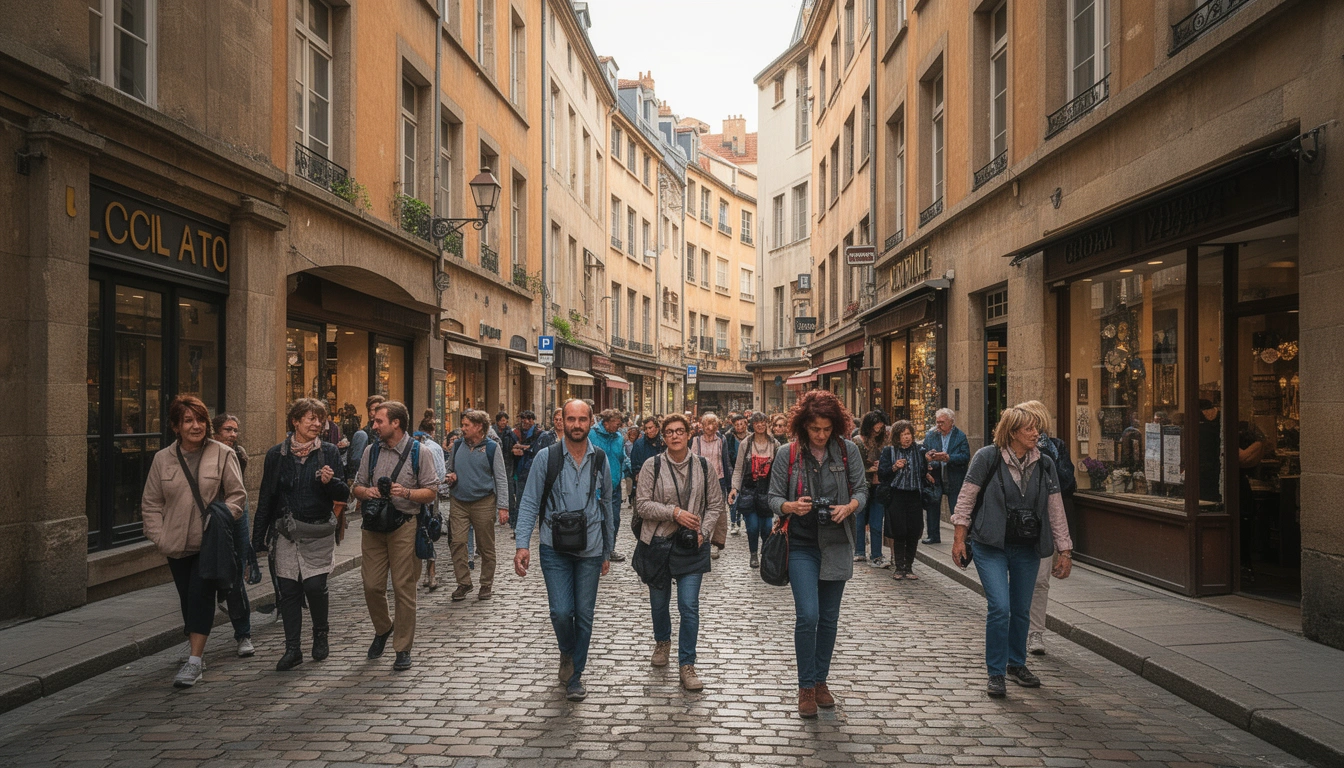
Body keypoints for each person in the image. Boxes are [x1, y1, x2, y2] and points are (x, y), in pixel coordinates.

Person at [951, 406, 1074, 698]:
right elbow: (966, 499)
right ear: (1013, 432)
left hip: (1027, 547)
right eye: (1030, 429)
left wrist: (1065, 550)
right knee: (1000, 607)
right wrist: (959, 538)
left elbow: (1055, 508)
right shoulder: (987, 457)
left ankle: (1016, 664)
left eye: (1037, 428)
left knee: (1021, 610)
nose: (1036, 434)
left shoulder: (1045, 464)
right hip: (990, 544)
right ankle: (995, 672)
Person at [767, 390, 867, 718]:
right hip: (800, 544)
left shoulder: (847, 451)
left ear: (835, 426)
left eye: (826, 429)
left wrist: (850, 506)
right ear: (803, 426)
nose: (821, 435)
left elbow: (863, 491)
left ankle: (821, 681)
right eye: (815, 429)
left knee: (828, 619)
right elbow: (772, 497)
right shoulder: (788, 453)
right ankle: (805, 686)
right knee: (808, 615)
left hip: (837, 542)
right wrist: (789, 506)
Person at [513, 399, 616, 702]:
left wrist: (608, 550)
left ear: (590, 422)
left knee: (583, 614)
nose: (576, 425)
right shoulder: (547, 458)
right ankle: (566, 652)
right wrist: (522, 544)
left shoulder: (600, 460)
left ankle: (576, 675)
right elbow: (530, 500)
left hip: (591, 547)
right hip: (553, 546)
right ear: (561, 421)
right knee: (561, 612)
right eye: (571, 419)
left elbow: (608, 505)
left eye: (582, 419)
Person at [141, 395, 246, 688]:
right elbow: (150, 503)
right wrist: (159, 537)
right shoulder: (162, 459)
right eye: (188, 420)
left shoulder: (223, 453)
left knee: (201, 595)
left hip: (209, 541)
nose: (196, 426)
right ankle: (195, 649)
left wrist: (224, 516)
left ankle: (195, 661)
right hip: (175, 544)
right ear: (176, 426)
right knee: (187, 598)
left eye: (200, 419)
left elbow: (238, 495)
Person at [251, 399, 349, 671]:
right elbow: (267, 497)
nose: (318, 424)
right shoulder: (276, 455)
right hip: (286, 533)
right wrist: (257, 539)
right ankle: (292, 649)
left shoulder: (328, 452)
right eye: (311, 419)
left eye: (321, 419)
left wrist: (332, 482)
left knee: (315, 587)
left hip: (317, 531)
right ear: (295, 421)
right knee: (289, 591)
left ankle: (321, 635)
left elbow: (344, 495)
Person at [634, 413, 725, 691]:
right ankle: (662, 642)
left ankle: (687, 664)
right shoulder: (653, 465)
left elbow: (715, 504)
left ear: (689, 435)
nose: (675, 436)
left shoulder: (704, 466)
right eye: (669, 432)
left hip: (692, 546)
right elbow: (642, 505)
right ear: (664, 438)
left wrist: (703, 531)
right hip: (658, 544)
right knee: (660, 603)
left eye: (680, 431)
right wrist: (674, 513)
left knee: (689, 606)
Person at [352, 400, 439, 671]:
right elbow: (357, 486)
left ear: (396, 423)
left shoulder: (419, 452)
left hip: (404, 524)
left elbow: (432, 491)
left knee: (404, 588)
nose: (374, 425)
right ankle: (383, 627)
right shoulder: (371, 451)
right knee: (372, 585)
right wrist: (367, 493)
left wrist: (406, 493)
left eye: (379, 421)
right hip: (374, 526)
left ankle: (402, 647)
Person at [1017, 400, 1076, 656]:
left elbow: (1067, 484)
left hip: (1043, 525)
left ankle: (1035, 633)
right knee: (1016, 582)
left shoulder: (1056, 447)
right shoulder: (1004, 450)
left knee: (1040, 581)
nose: (1032, 431)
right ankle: (1014, 628)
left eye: (1034, 425)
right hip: (1014, 525)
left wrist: (1046, 455)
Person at [444, 410, 509, 601]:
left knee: (485, 546)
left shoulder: (491, 448)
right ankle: (463, 583)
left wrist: (503, 506)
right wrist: (450, 476)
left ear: (479, 427)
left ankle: (486, 584)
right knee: (457, 542)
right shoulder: (457, 446)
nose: (462, 429)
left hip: (484, 501)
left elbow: (501, 478)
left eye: (466, 425)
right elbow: (449, 469)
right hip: (459, 501)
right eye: (462, 425)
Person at [210, 413, 257, 656]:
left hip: (236, 513)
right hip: (209, 515)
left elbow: (237, 491)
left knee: (236, 575)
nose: (233, 435)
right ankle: (196, 639)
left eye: (235, 430)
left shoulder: (239, 454)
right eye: (228, 430)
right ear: (215, 432)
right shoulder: (205, 453)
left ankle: (243, 634)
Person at [728, 412, 781, 569]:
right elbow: (738, 468)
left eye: (763, 422)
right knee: (752, 526)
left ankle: (765, 553)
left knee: (766, 526)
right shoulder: (746, 443)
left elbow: (780, 470)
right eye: (757, 422)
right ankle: (753, 553)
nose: (760, 425)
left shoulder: (774, 444)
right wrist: (734, 488)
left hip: (767, 489)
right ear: (752, 424)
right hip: (749, 489)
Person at [879, 420, 930, 579]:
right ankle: (899, 567)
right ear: (896, 437)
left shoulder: (919, 451)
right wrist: (894, 467)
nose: (906, 438)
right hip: (897, 495)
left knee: (914, 531)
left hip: (914, 494)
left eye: (908, 434)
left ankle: (909, 567)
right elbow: (882, 474)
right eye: (902, 435)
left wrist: (928, 469)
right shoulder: (889, 451)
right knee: (899, 530)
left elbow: (922, 472)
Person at [588, 408, 632, 563]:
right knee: (595, 518)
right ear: (606, 422)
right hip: (595, 484)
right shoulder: (592, 434)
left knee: (613, 519)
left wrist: (629, 469)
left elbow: (622, 456)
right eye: (616, 423)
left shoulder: (619, 437)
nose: (619, 426)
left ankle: (609, 548)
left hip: (614, 484)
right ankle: (594, 549)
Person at [922, 408, 970, 545]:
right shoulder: (931, 435)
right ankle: (933, 535)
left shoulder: (960, 436)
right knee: (932, 504)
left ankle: (961, 537)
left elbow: (965, 456)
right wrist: (929, 458)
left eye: (942, 422)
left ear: (951, 422)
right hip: (936, 476)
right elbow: (923, 452)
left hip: (954, 476)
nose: (939, 425)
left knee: (956, 508)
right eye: (937, 422)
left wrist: (949, 458)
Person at [852, 410, 889, 568]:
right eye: (876, 425)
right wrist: (870, 469)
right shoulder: (857, 441)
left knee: (876, 521)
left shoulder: (883, 442)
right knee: (860, 519)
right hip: (863, 485)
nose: (878, 428)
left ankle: (876, 554)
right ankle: (859, 551)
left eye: (880, 425)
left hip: (879, 486)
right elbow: (855, 466)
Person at [690, 413, 728, 560]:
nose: (710, 427)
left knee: (719, 511)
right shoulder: (696, 441)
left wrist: (730, 485)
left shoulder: (721, 440)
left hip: (719, 479)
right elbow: (692, 460)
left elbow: (725, 461)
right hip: (701, 479)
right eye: (707, 424)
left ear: (717, 426)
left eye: (713, 424)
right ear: (702, 426)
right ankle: (700, 538)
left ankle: (716, 543)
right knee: (700, 509)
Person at [416, 427, 447, 591]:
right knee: (426, 534)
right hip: (423, 499)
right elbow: (441, 475)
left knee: (426, 534)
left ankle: (430, 574)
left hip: (425, 499)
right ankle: (428, 574)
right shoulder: (432, 448)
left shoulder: (429, 449)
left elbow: (439, 476)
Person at [511, 410, 542, 531]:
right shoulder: (515, 433)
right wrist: (513, 449)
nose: (526, 422)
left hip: (533, 471)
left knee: (534, 500)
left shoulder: (538, 434)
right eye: (523, 419)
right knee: (520, 500)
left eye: (529, 419)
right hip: (519, 471)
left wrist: (522, 447)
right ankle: (519, 527)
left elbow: (535, 449)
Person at [722, 413, 750, 536]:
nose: (739, 427)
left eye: (742, 424)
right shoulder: (728, 437)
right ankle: (733, 522)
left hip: (747, 471)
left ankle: (744, 521)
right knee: (732, 498)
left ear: (746, 424)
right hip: (732, 470)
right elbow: (726, 456)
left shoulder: (751, 437)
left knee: (746, 498)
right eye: (737, 424)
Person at [628, 416, 667, 506]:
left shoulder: (664, 443)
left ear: (657, 428)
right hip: (645, 482)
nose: (648, 431)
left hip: (662, 482)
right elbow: (634, 463)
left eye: (650, 428)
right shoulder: (639, 444)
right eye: (645, 428)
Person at [346, 395, 385, 483]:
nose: (371, 413)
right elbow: (356, 461)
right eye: (369, 410)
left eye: (375, 409)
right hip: (364, 478)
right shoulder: (363, 434)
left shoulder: (384, 432)